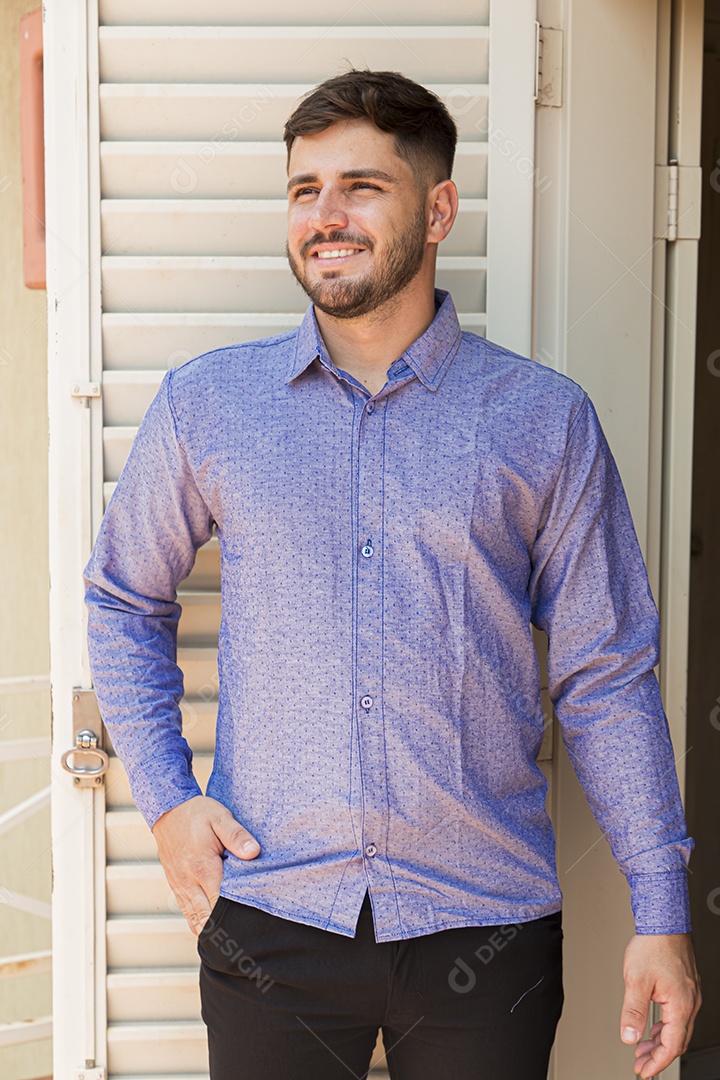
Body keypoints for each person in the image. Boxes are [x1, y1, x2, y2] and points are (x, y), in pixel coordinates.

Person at [84, 69, 701, 1080]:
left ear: (439, 207)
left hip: (485, 926)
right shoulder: (211, 406)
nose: (325, 217)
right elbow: (121, 598)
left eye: (361, 186)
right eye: (303, 190)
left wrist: (661, 915)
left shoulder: (542, 420)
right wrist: (165, 799)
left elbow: (606, 671)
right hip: (271, 913)